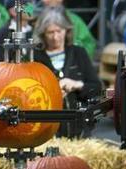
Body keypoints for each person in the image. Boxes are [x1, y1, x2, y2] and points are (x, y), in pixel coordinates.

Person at [33, 6, 102, 138]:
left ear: (67, 30)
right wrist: (52, 92)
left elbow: (96, 88)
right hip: (47, 132)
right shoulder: (36, 58)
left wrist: (77, 84)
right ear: (42, 34)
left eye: (59, 31)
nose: (55, 37)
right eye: (50, 32)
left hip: (78, 131)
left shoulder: (78, 53)